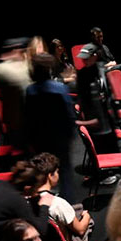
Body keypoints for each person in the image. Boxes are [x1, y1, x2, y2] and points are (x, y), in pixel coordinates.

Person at [24, 53, 80, 202]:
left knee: (43, 170)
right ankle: (68, 204)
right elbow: (69, 114)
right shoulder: (60, 88)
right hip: (60, 137)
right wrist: (71, 134)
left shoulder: (30, 90)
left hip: (39, 138)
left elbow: (28, 117)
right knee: (64, 170)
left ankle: (44, 204)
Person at [30, 152, 94, 241]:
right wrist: (86, 216)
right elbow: (81, 230)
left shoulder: (29, 200)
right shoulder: (57, 203)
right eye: (57, 172)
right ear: (50, 176)